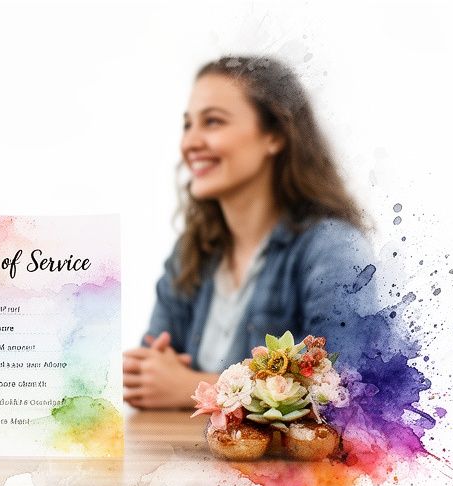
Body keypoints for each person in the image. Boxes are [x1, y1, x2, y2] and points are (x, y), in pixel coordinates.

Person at [123, 56, 375, 410]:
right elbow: (150, 378)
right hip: (189, 460)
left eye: (212, 122)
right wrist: (147, 375)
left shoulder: (334, 249)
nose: (190, 143)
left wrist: (194, 387)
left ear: (274, 136)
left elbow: (348, 394)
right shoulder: (191, 252)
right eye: (187, 125)